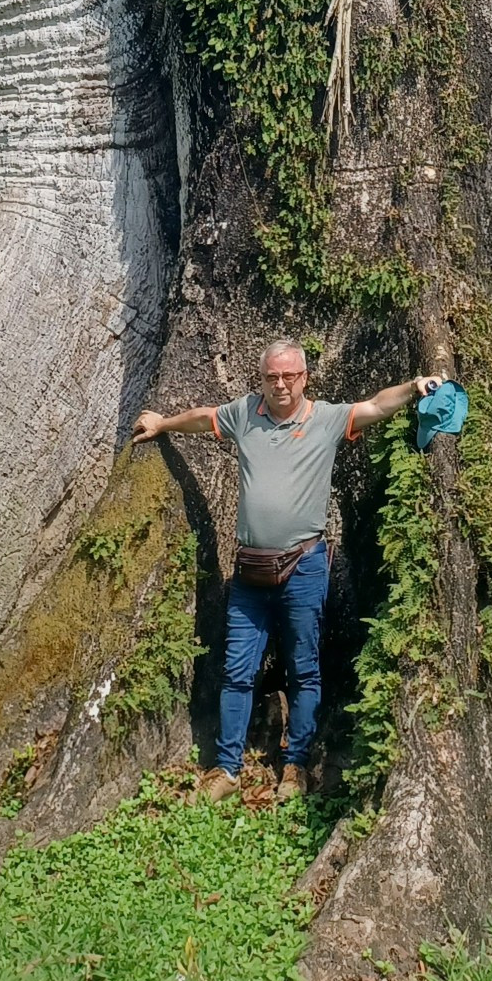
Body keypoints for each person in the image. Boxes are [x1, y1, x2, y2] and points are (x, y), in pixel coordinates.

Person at [132, 337, 444, 802]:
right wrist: (163, 423)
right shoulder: (245, 414)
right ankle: (227, 768)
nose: (280, 384)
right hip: (250, 570)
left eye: (289, 376)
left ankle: (295, 764)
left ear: (304, 378)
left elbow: (377, 405)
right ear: (262, 379)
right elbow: (204, 417)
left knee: (303, 668)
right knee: (238, 669)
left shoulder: (326, 419)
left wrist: (416, 387)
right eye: (272, 376)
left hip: (304, 566)